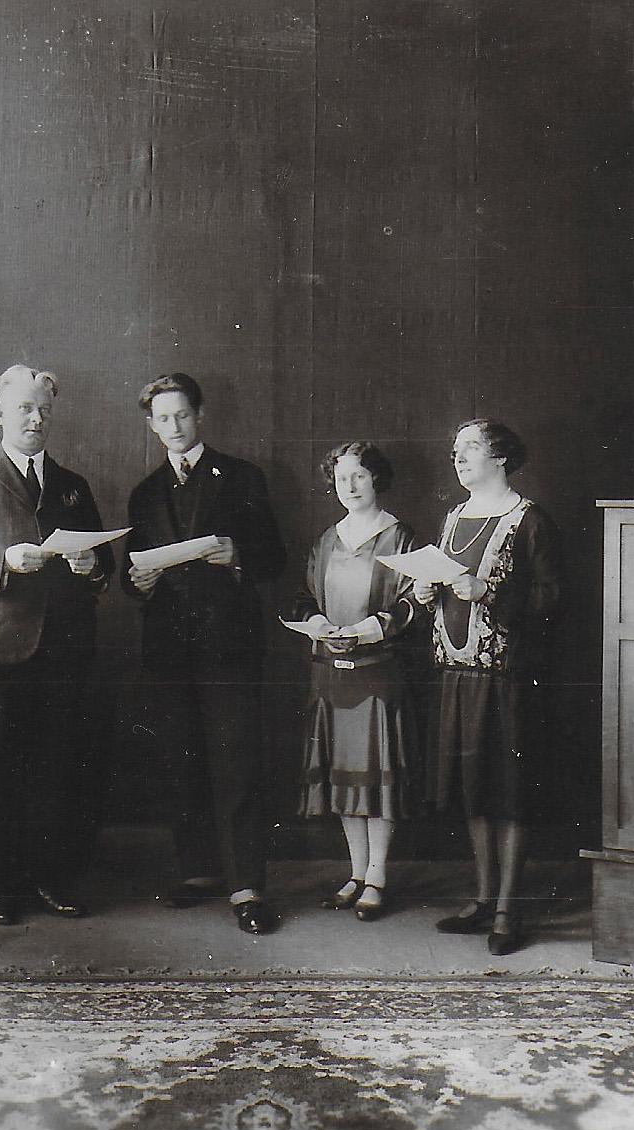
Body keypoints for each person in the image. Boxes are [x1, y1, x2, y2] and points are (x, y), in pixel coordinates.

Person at [0, 365, 114, 926]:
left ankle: (52, 879)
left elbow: (102, 563)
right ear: (1, 414)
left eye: (45, 411)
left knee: (57, 770)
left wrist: (91, 565)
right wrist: (4, 561)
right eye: (25, 409)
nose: (37, 419)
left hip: (64, 648)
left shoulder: (73, 484)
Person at [123, 372, 286, 934]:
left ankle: (246, 886)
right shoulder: (144, 492)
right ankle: (199, 871)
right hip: (169, 649)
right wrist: (138, 583)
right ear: (151, 425)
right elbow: (131, 576)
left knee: (236, 764)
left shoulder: (241, 477)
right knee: (182, 759)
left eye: (182, 415)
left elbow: (274, 557)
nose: (173, 426)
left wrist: (238, 553)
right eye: (162, 419)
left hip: (229, 645)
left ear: (200, 415)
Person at [414, 419, 561, 956]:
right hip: (457, 674)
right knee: (474, 787)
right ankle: (482, 898)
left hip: (507, 678)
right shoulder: (453, 518)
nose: (458, 458)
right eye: (456, 449)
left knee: (510, 790)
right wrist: (428, 591)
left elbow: (553, 597)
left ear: (500, 457)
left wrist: (489, 593)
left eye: (470, 448)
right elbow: (446, 587)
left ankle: (508, 908)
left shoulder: (530, 520)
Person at [289, 441, 423, 922]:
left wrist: (370, 629)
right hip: (331, 674)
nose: (349, 485)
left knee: (376, 777)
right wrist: (319, 625)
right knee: (345, 776)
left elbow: (414, 603)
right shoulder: (328, 538)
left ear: (376, 479)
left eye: (359, 476)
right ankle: (356, 871)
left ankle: (378, 876)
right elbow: (305, 597)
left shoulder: (399, 536)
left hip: (378, 672)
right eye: (341, 477)